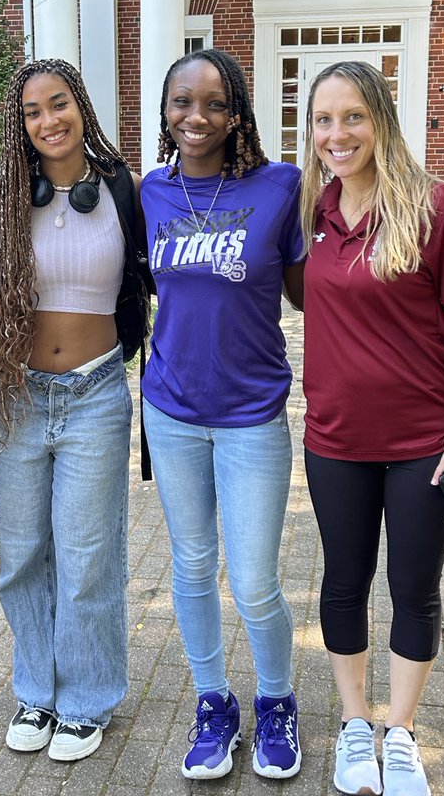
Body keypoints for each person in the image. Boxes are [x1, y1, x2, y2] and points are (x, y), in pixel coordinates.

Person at [299, 60, 444, 796]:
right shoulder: (312, 212)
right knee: (343, 584)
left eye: (352, 117)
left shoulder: (440, 209)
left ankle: (400, 734)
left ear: (380, 119)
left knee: (415, 589)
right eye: (322, 119)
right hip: (335, 440)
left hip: (423, 445)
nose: (337, 133)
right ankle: (353, 727)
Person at [140, 48, 305, 782]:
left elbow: (314, 295)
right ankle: (214, 703)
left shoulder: (280, 188)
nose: (195, 117)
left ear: (236, 112)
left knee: (255, 578)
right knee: (191, 565)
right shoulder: (148, 192)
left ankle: (275, 700)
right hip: (171, 409)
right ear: (165, 112)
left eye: (212, 103)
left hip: (251, 416)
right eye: (181, 103)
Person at [0, 59, 144, 764]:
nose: (47, 121)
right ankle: (35, 692)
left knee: (87, 557)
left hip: (94, 392)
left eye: (58, 104)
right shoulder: (3, 193)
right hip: (19, 395)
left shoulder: (119, 187)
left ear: (81, 104)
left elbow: (149, 275)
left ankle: (86, 701)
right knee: (20, 557)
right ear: (18, 127)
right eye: (31, 112)